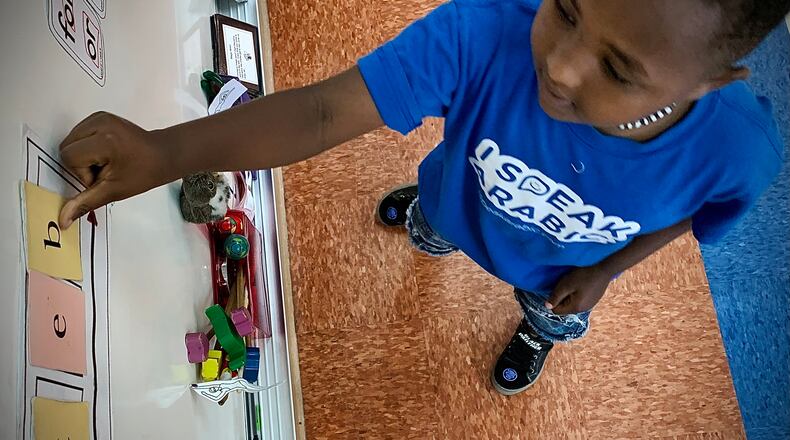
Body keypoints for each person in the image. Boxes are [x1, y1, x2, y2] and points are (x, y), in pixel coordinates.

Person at [58, 0, 788, 396]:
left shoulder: (740, 153)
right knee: (429, 221)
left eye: (620, 69)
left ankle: (535, 332)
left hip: (557, 278)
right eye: (565, 7)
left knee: (554, 317)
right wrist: (163, 152)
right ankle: (427, 217)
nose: (561, 69)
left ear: (710, 83)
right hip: (455, 198)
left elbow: (693, 219)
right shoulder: (482, 29)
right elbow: (318, 113)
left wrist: (605, 272)